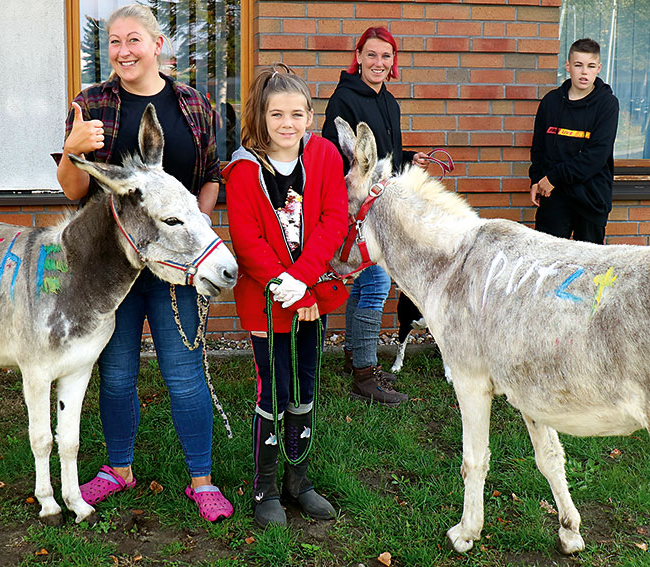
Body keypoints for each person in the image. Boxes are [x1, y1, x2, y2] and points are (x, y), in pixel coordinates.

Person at [56, 3, 233, 523]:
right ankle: (119, 469)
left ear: (158, 45)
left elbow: (209, 177)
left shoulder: (192, 106)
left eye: (133, 40)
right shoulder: (90, 104)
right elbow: (73, 193)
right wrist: (71, 149)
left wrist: (190, 240)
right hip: (111, 268)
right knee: (115, 374)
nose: (123, 51)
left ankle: (201, 479)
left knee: (183, 373)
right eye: (114, 42)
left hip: (177, 264)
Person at [223, 64, 349, 527]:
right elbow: (248, 240)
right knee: (272, 390)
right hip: (267, 302)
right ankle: (266, 486)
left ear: (311, 117)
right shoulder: (242, 170)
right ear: (262, 116)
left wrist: (304, 279)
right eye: (277, 114)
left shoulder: (324, 156)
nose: (287, 124)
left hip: (311, 293)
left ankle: (300, 480)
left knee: (306, 384)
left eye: (297, 113)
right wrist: (288, 288)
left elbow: (333, 220)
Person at [322, 26, 429, 405]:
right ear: (359, 56)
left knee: (370, 283)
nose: (378, 63)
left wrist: (407, 158)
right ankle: (365, 375)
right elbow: (336, 160)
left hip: (385, 209)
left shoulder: (390, 103)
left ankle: (354, 355)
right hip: (358, 212)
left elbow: (381, 158)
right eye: (371, 55)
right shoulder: (344, 100)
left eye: (386, 56)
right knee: (377, 284)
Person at [529, 38, 619, 244]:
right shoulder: (551, 102)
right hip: (554, 198)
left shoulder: (607, 104)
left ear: (599, 68)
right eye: (578, 65)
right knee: (548, 262)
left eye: (590, 66)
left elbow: (596, 155)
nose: (584, 72)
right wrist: (536, 179)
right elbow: (539, 148)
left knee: (589, 268)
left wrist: (553, 178)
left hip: (591, 199)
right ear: (568, 66)